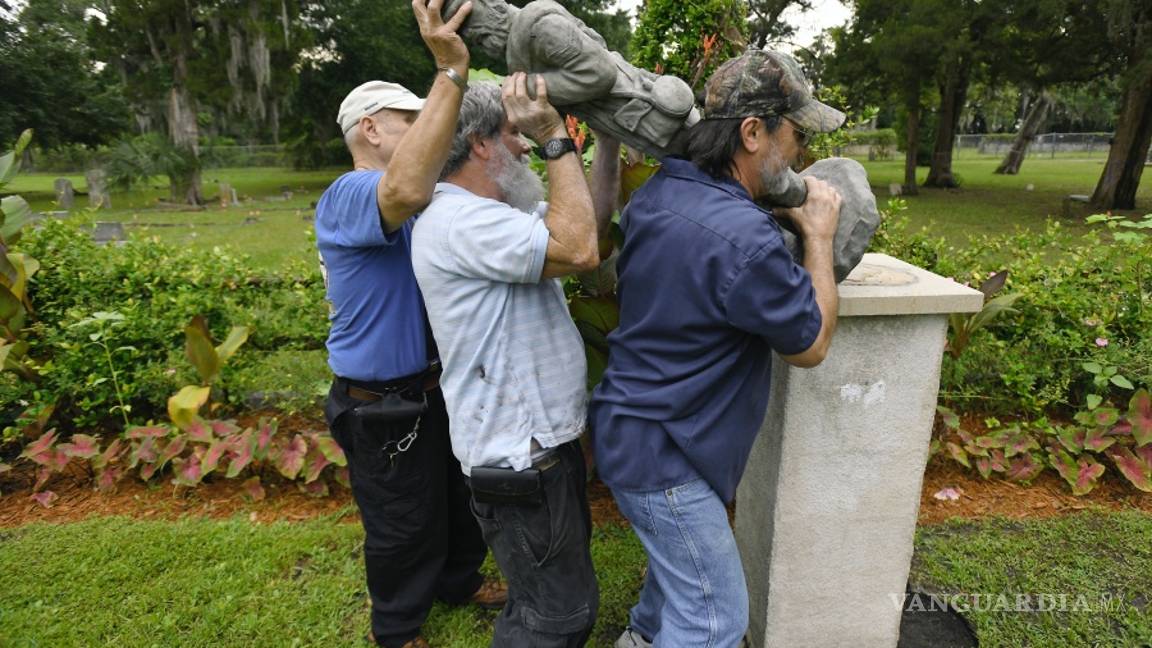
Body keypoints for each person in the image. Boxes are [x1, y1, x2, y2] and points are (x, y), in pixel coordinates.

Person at [589, 49, 846, 648]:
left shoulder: (663, 190)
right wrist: (820, 239)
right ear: (753, 133)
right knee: (713, 619)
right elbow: (809, 346)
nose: (802, 151)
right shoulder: (746, 238)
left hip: (634, 430)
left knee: (674, 588)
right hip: (665, 458)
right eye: (797, 133)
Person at [314, 1, 506, 647]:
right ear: (370, 129)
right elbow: (401, 193)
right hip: (380, 405)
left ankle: (458, 580)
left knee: (455, 500)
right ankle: (396, 629)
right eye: (409, 117)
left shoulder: (422, 200)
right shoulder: (347, 195)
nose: (426, 123)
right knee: (402, 522)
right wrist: (450, 75)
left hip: (432, 387)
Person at [410, 75, 621, 647]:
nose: (524, 144)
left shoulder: (499, 213)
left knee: (553, 603)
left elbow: (589, 228)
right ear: (480, 143)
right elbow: (578, 248)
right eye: (513, 133)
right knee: (555, 617)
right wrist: (553, 132)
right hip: (520, 460)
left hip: (538, 450)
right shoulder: (462, 222)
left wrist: (607, 140)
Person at [443, 0, 699, 158]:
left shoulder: (539, 28)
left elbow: (600, 73)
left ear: (494, 9)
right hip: (641, 127)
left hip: (658, 122)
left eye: (483, 37)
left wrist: (529, 87)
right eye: (478, 43)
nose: (486, 47)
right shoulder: (525, 45)